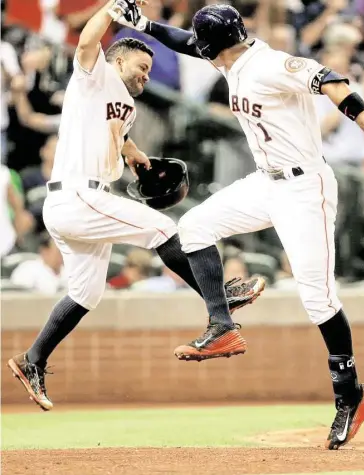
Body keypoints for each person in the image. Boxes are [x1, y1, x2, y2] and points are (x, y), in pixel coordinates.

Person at [120, 2, 364, 449]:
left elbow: (333, 82)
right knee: (195, 226)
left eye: (205, 46)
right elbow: (182, 42)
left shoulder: (272, 64)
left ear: (216, 44)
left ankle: (350, 396)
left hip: (304, 187)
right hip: (265, 182)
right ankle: (222, 326)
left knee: (317, 298)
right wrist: (141, 24)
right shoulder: (229, 56)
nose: (201, 51)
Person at [7, 0, 265, 413]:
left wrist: (134, 152)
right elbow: (88, 41)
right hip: (77, 195)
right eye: (140, 67)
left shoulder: (123, 104)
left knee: (85, 295)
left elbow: (112, 130)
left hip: (82, 201)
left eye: (148, 69)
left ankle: (32, 360)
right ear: (118, 60)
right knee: (165, 229)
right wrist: (113, 8)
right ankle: (220, 306)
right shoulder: (95, 75)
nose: (145, 74)